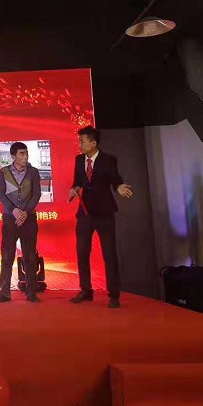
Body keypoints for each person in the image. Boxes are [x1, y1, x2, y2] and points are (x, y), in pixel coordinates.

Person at [68, 126, 133, 308]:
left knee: (109, 254)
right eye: (79, 141)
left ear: (93, 142)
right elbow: (77, 182)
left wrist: (119, 187)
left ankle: (114, 295)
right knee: (82, 252)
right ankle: (85, 290)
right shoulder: (79, 160)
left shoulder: (108, 160)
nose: (79, 145)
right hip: (85, 214)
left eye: (82, 141)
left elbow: (115, 179)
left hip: (104, 214)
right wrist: (74, 190)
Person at [0, 142, 42, 303]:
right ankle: (4, 293)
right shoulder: (3, 172)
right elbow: (0, 194)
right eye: (22, 153)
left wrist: (25, 212)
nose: (25, 156)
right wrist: (13, 210)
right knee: (7, 256)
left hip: (29, 219)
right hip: (10, 219)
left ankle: (31, 293)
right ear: (13, 156)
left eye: (26, 153)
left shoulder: (33, 172)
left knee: (30, 256)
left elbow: (36, 194)